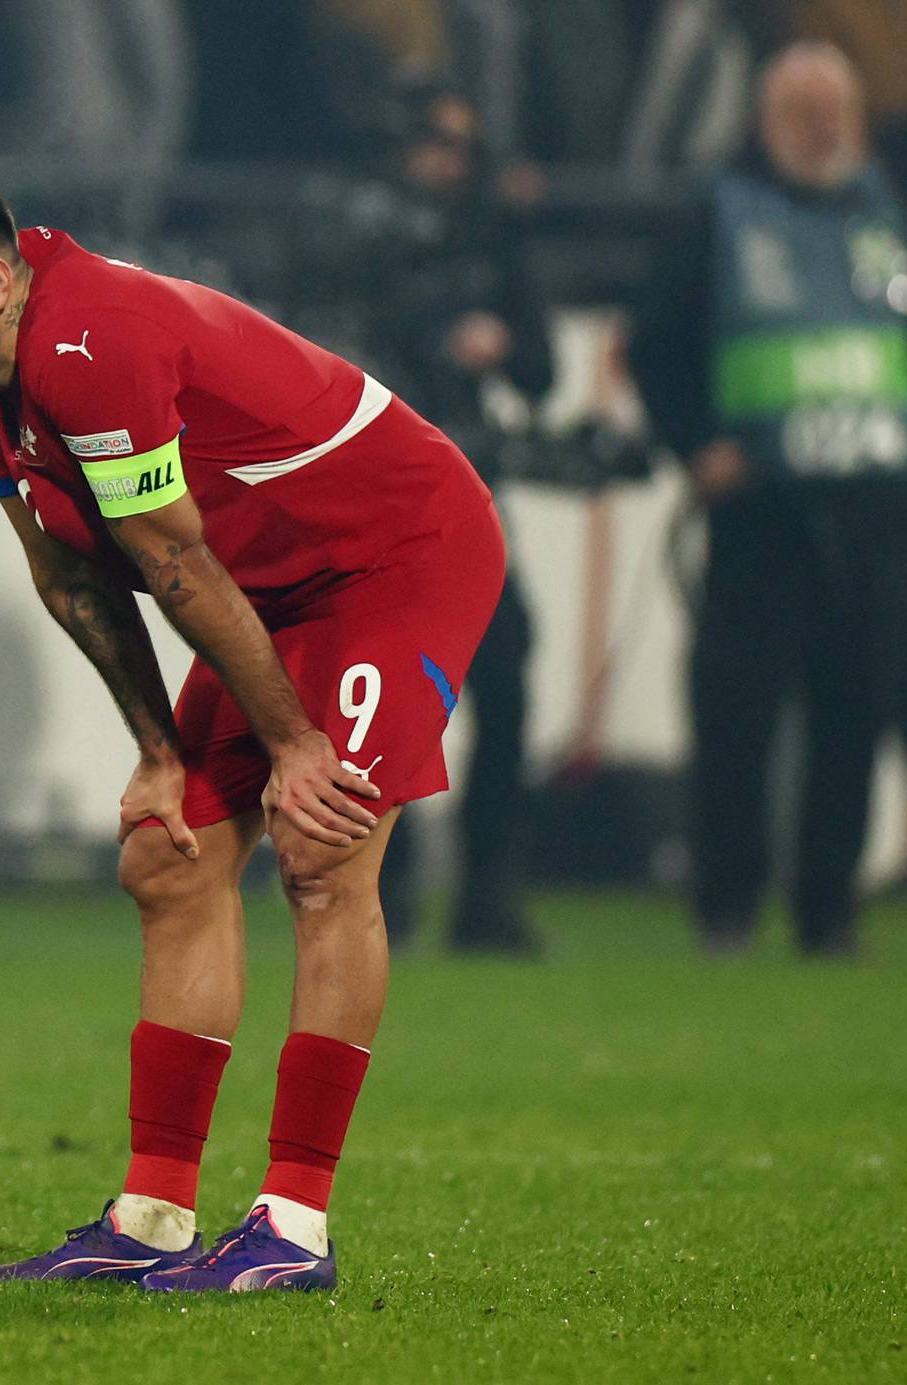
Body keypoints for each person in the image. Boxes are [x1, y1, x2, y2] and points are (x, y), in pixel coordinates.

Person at [0, 171, 504, 1292]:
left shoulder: (87, 344)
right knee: (169, 855)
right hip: (272, 593)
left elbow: (170, 560)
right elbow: (70, 577)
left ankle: (292, 1225)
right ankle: (151, 1213)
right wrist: (158, 751)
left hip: (393, 552)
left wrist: (296, 744)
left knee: (322, 845)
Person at [632, 43, 907, 958]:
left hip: (874, 505)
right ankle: (729, 903)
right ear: (766, 120)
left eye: (836, 109)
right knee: (739, 713)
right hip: (760, 505)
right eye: (804, 110)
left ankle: (829, 909)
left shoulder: (889, 206)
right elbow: (655, 341)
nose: (823, 128)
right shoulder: (717, 212)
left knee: (854, 708)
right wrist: (693, 445)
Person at [361, 86, 552, 954]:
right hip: (384, 506)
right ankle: (381, 895)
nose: (450, 164)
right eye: (438, 145)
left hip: (467, 499)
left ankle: (485, 897)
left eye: (463, 149)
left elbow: (544, 370)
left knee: (506, 685)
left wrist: (505, 340)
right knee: (386, 707)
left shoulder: (491, 246)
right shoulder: (365, 239)